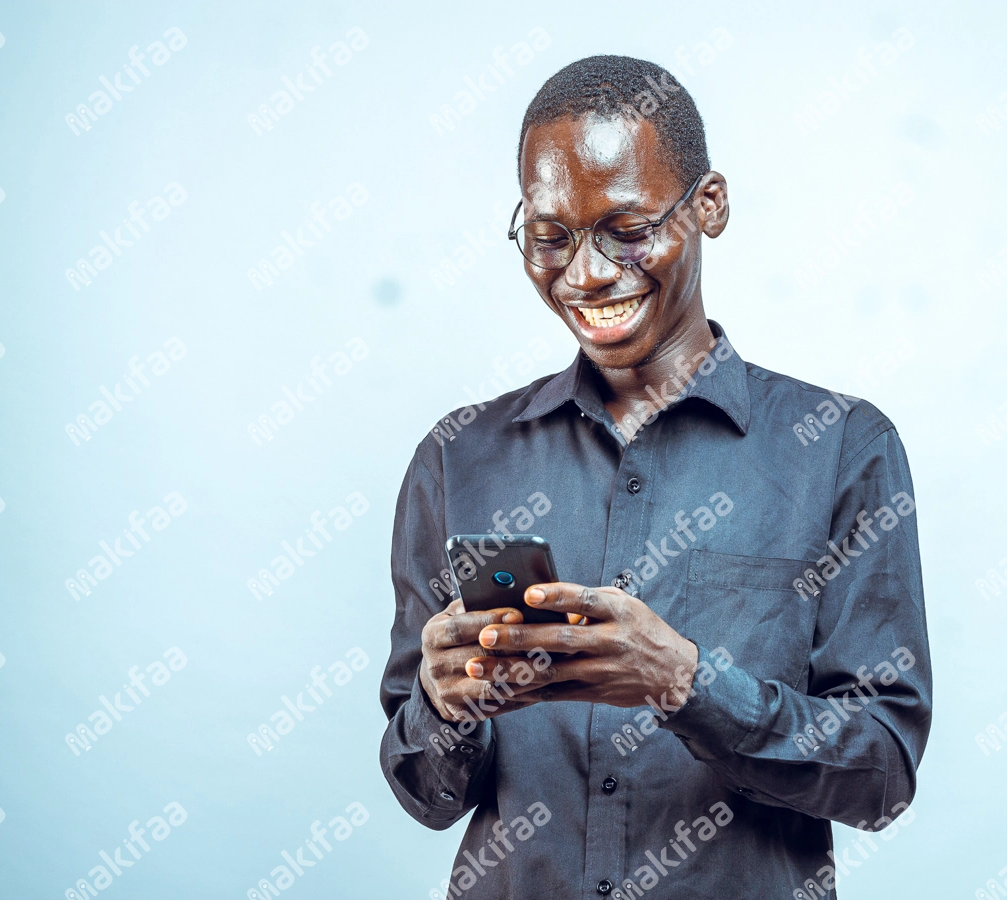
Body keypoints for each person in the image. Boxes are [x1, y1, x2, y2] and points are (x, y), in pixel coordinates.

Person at [379, 54, 931, 898]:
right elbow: (422, 792)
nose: (588, 273)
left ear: (708, 205)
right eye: (550, 236)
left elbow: (882, 777)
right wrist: (445, 710)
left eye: (627, 230)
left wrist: (686, 682)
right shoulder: (459, 455)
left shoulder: (842, 448)